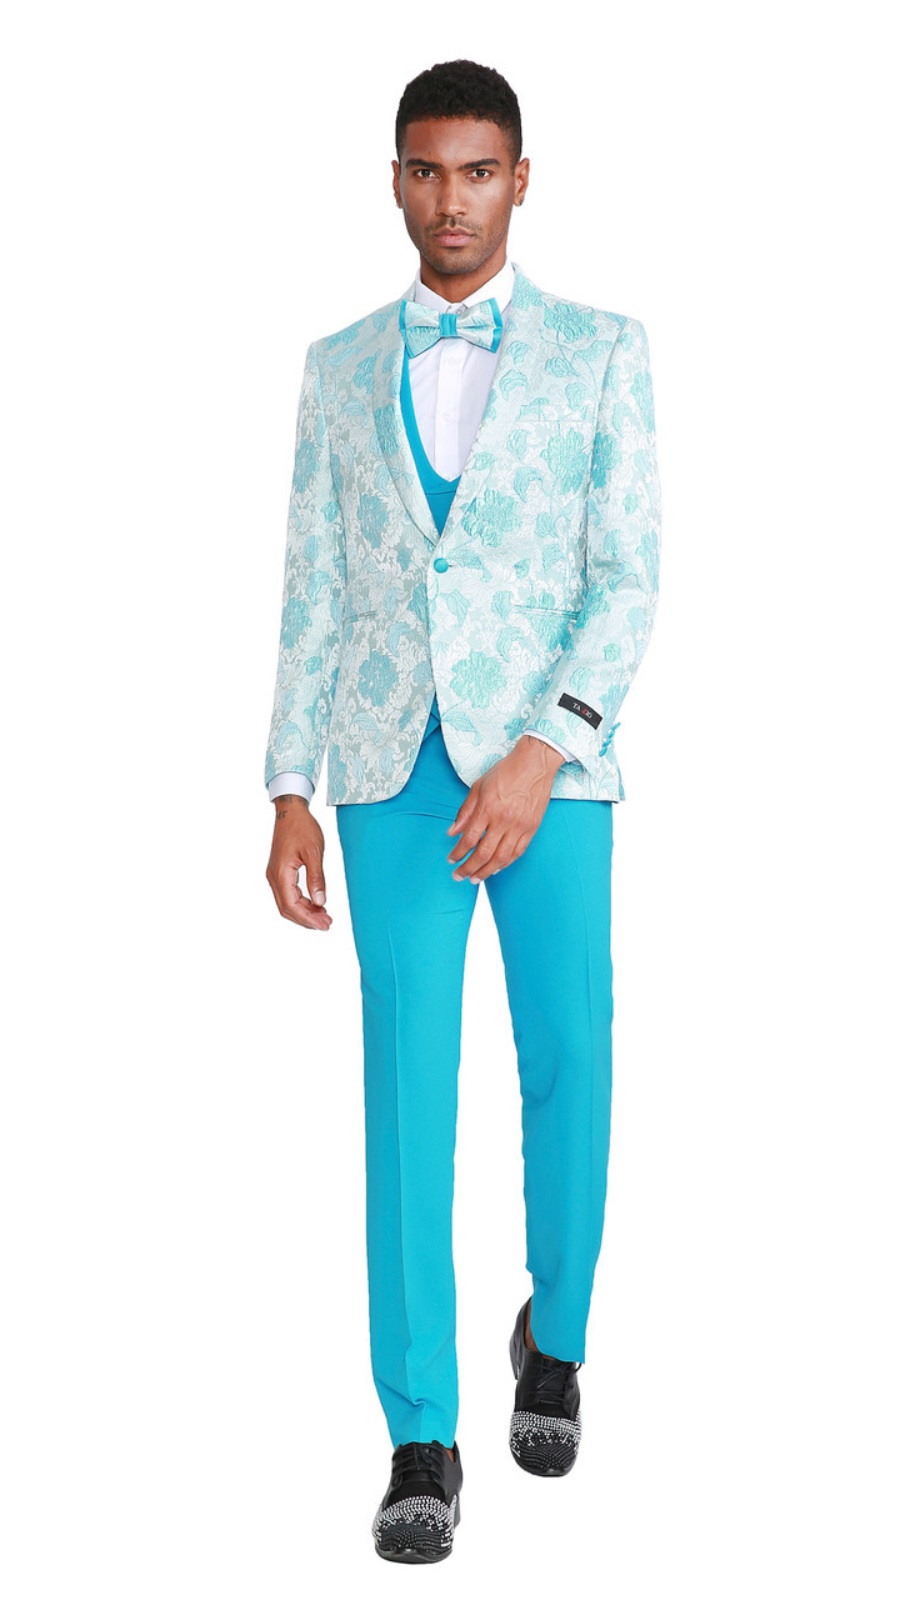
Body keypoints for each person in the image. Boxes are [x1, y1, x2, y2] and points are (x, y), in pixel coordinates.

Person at [264, 57, 662, 1564]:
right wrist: (289, 785)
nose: (452, 200)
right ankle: (419, 1434)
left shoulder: (603, 352)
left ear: (520, 181)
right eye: (427, 171)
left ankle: (553, 1339)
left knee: (571, 1053)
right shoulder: (335, 367)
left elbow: (626, 577)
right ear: (395, 181)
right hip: (384, 765)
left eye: (478, 172)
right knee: (406, 1095)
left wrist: (543, 750)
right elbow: (312, 586)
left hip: (550, 772)